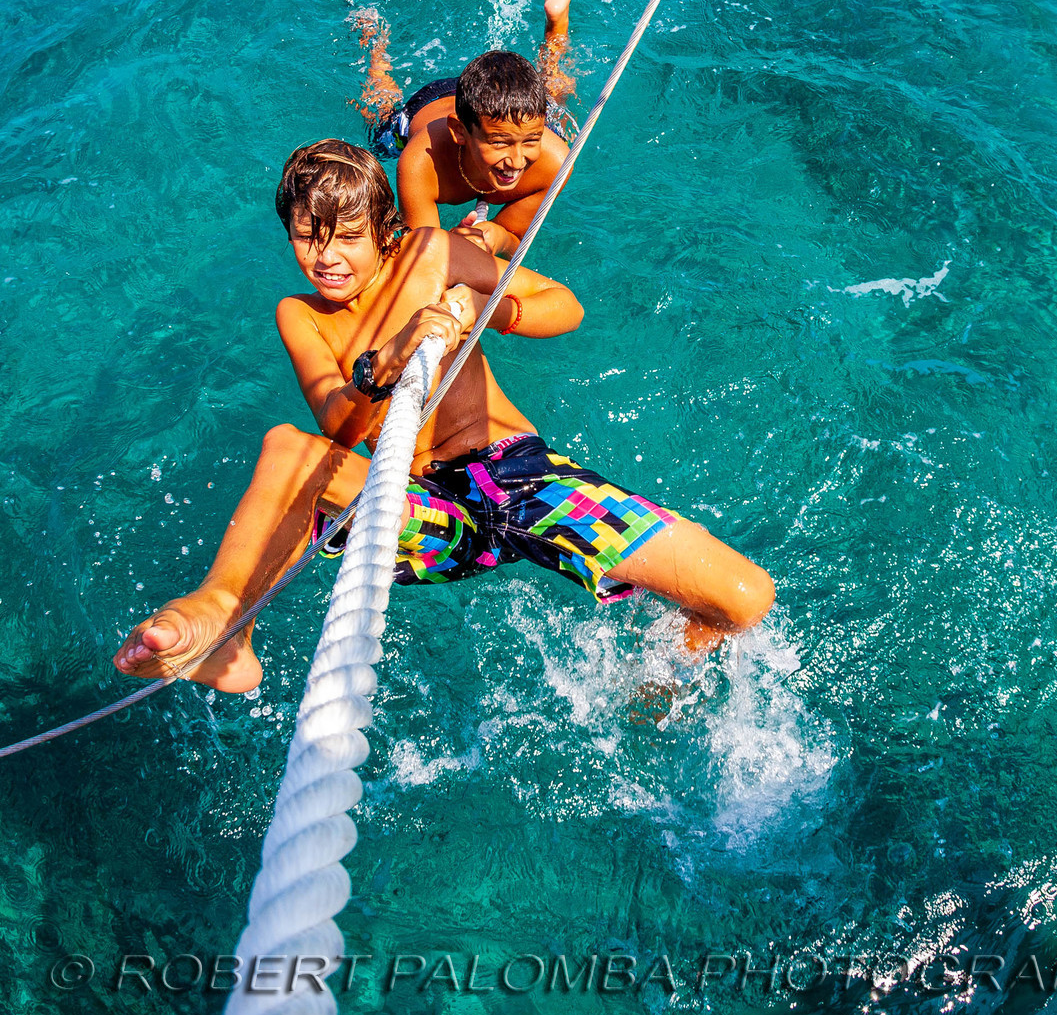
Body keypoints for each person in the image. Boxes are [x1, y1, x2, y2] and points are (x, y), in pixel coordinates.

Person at [112, 139, 773, 692]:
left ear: (384, 231)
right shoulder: (302, 315)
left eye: (347, 236)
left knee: (745, 597)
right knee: (288, 447)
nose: (327, 256)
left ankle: (658, 684)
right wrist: (384, 364)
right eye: (308, 236)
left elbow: (564, 304)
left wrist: (485, 307)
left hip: (527, 483)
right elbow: (336, 424)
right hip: (428, 511)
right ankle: (225, 622)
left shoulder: (430, 255)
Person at [354, 0, 574, 257]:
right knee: (381, 117)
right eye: (499, 143)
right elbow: (422, 260)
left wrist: (495, 237)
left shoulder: (554, 163)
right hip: (430, 107)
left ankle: (557, 24)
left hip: (503, 114)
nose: (517, 161)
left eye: (531, 141)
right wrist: (450, 247)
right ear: (459, 131)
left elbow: (513, 240)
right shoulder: (420, 164)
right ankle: (375, 49)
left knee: (554, 99)